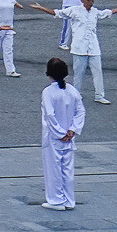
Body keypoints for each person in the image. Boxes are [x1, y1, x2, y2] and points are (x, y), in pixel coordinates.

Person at [39, 57, 85, 211]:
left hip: (53, 137)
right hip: (69, 137)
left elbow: (50, 116)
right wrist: (72, 130)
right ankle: (69, 200)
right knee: (67, 169)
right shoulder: (72, 90)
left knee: (53, 168)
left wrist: (60, 133)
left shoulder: (48, 92)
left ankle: (56, 200)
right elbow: (80, 111)